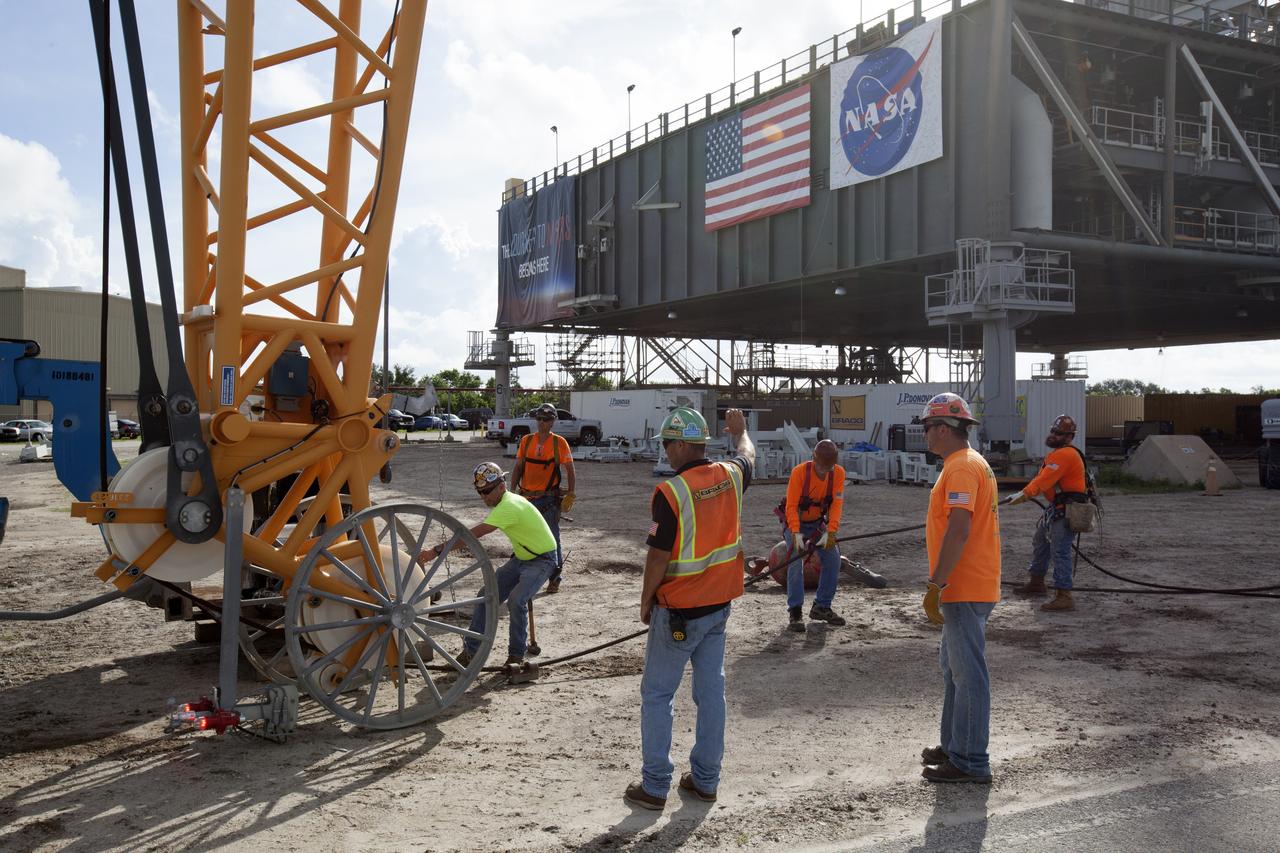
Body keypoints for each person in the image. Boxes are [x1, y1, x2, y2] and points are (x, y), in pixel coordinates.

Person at [623, 407, 755, 811]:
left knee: (658, 695)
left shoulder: (672, 492)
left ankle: (655, 786)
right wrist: (741, 432)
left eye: (667, 444)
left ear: (682, 445)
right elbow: (749, 455)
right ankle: (706, 780)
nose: (666, 452)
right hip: (719, 606)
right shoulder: (730, 476)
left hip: (678, 610)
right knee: (711, 692)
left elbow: (658, 558)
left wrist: (646, 601)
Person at [919, 393, 1000, 784]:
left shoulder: (963, 469)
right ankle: (955, 745)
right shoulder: (962, 464)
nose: (925, 434)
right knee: (954, 669)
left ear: (945, 429)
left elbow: (959, 527)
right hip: (965, 585)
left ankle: (970, 759)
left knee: (968, 673)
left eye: (928, 426)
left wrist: (937, 583)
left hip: (964, 586)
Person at [417, 462, 557, 668]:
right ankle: (472, 653)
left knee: (516, 601)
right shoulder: (504, 503)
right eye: (480, 492)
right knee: (486, 596)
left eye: (487, 491)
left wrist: (436, 551)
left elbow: (473, 535)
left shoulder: (509, 505)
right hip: (522, 558)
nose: (484, 497)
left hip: (542, 560)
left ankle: (516, 657)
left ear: (501, 486)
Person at [1005, 414, 1085, 612]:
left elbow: (1043, 481)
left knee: (1060, 550)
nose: (1054, 435)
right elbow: (1043, 479)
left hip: (1066, 510)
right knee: (1041, 541)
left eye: (1059, 433)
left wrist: (1025, 494)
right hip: (1057, 509)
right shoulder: (1058, 454)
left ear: (1069, 437)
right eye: (1053, 431)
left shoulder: (1065, 455)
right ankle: (1037, 582)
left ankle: (1064, 595)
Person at [781, 439, 848, 632]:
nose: (824, 471)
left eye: (828, 468)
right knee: (795, 562)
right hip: (796, 525)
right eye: (821, 467)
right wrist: (795, 533)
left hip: (818, 525)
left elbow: (836, 505)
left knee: (833, 559)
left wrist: (832, 531)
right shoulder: (800, 473)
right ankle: (795, 612)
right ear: (814, 459)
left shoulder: (838, 474)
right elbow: (791, 506)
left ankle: (822, 606)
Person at [511, 402, 576, 594]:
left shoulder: (559, 443)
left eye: (546, 419)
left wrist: (571, 493)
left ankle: (555, 578)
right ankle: (523, 575)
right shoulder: (527, 441)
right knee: (523, 537)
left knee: (552, 540)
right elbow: (518, 468)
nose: (542, 423)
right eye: (539, 419)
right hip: (526, 499)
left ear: (553, 421)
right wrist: (512, 492)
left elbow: (571, 470)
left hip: (548, 501)